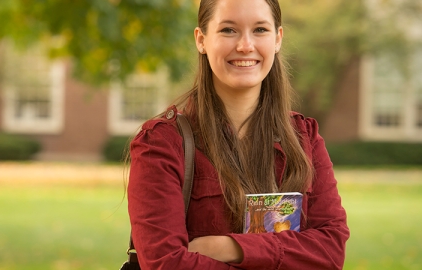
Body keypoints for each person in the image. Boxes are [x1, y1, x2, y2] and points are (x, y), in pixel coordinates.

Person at [127, 0, 350, 269]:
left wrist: (231, 247)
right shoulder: (162, 143)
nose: (245, 45)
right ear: (201, 40)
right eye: (228, 30)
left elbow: (330, 250)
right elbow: (166, 264)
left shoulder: (305, 138)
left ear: (277, 39)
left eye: (260, 30)